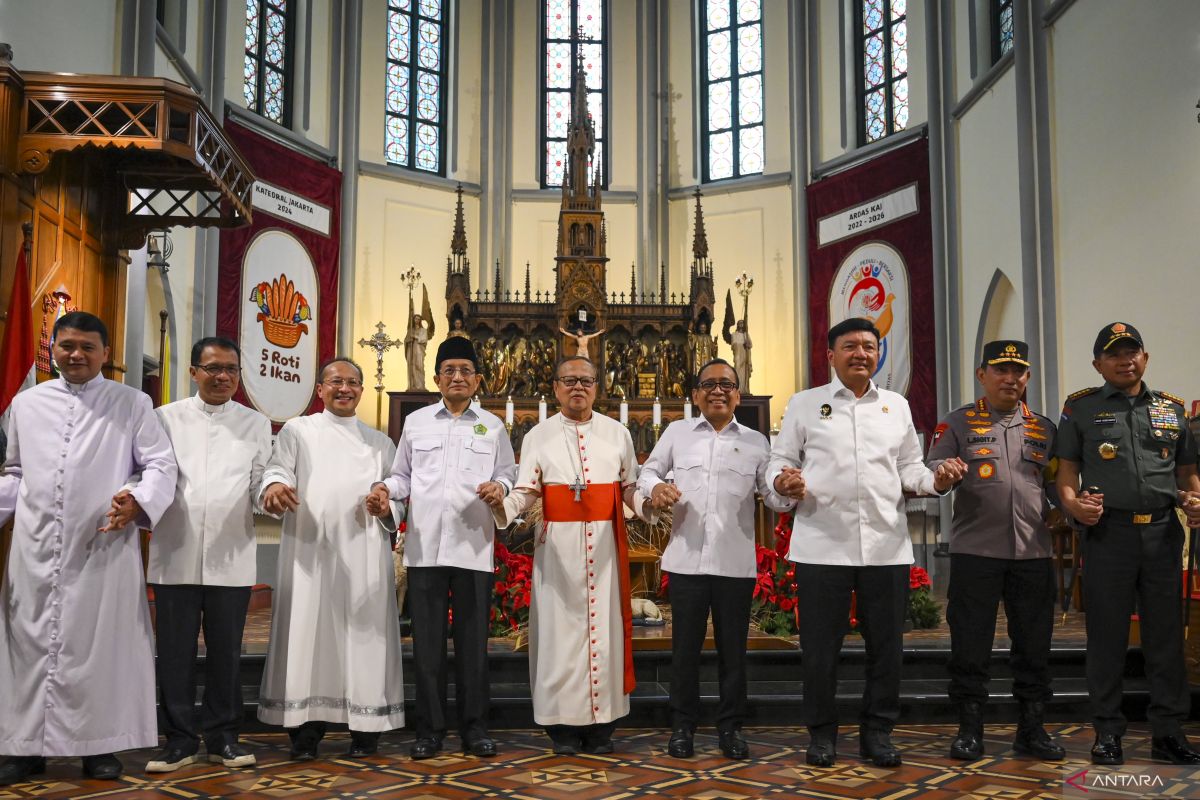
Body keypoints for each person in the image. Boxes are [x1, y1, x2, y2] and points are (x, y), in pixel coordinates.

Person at [768, 317, 965, 769]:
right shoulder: (805, 404)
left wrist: (936, 480)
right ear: (831, 354)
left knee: (886, 650)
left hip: (884, 548)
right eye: (851, 345)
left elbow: (909, 469)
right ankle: (821, 735)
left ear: (879, 354)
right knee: (820, 651)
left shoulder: (895, 406)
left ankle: (878, 732)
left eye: (869, 346)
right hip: (821, 546)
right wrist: (783, 481)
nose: (861, 353)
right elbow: (778, 462)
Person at [0, 311, 178, 785]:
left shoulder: (131, 402)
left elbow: (160, 465)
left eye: (87, 347)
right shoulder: (27, 404)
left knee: (101, 648)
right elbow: (15, 473)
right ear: (52, 348)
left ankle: (99, 747)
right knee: (28, 645)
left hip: (101, 545)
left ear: (105, 354)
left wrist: (136, 502)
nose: (76, 354)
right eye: (67, 345)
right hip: (36, 549)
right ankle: (24, 748)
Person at [489, 356, 653, 755]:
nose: (578, 387)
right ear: (556, 387)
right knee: (559, 636)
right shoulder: (537, 436)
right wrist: (501, 504)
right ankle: (560, 728)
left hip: (605, 550)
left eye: (586, 381)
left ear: (597, 387)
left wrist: (650, 506)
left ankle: (603, 728)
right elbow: (526, 491)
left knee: (606, 634)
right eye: (569, 380)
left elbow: (629, 487)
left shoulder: (617, 433)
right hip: (556, 550)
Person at [1055, 322, 1200, 766]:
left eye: (1132, 351)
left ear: (1146, 357)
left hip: (1161, 534)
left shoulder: (1172, 410)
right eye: (1114, 354)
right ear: (1098, 364)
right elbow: (1066, 474)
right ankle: (1108, 732)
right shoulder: (1080, 409)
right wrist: (1073, 508)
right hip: (1108, 536)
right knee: (1107, 637)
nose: (1125, 360)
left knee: (1165, 638)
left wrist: (1195, 499)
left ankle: (1169, 732)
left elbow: (1187, 474)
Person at [367, 337, 516, 760]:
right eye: (449, 370)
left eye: (465, 371)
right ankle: (429, 731)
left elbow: (508, 474)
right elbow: (402, 478)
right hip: (425, 551)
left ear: (478, 380)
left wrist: (499, 487)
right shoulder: (417, 424)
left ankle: (475, 729)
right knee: (427, 648)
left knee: (473, 647)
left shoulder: (493, 426)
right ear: (436, 378)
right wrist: (383, 490)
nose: (457, 377)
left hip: (473, 549)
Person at [257, 358, 405, 760]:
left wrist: (385, 503)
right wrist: (274, 488)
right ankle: (306, 731)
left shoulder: (380, 443)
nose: (345, 388)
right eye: (336, 382)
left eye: (353, 383)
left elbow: (399, 493)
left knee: (364, 638)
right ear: (320, 389)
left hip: (364, 556)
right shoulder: (298, 431)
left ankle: (366, 729)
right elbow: (276, 471)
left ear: (361, 390)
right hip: (310, 553)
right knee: (308, 636)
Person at [640, 358, 788, 760]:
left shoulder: (757, 442)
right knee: (684, 651)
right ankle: (682, 727)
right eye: (709, 384)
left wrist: (787, 488)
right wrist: (655, 490)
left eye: (727, 384)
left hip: (734, 564)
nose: (718, 390)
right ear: (695, 395)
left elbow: (772, 497)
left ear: (738, 393)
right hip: (686, 562)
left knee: (733, 652)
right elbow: (647, 472)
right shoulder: (677, 433)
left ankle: (731, 728)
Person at [926, 340, 1064, 762]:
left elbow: (1059, 484)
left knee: (1034, 645)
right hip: (976, 553)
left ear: (1027, 378)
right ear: (981, 375)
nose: (1010, 379)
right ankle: (970, 730)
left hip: (1035, 553)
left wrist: (1066, 508)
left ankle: (1032, 729)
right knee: (970, 644)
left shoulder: (1045, 428)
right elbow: (934, 473)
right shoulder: (956, 424)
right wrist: (944, 475)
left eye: (1018, 371)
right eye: (1001, 370)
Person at [145, 337, 272, 773]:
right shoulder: (163, 418)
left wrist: (270, 495)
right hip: (174, 552)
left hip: (231, 555)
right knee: (174, 653)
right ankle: (178, 740)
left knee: (225, 654)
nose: (222, 377)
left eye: (231, 370)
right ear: (194, 372)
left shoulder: (255, 424)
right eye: (214, 368)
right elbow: (149, 476)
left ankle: (223, 738)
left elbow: (259, 482)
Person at [405, 314, 430, 390]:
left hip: (419, 350)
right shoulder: (410, 330)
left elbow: (424, 339)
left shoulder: (423, 330)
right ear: (413, 320)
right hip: (411, 350)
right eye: (416, 319)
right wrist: (409, 340)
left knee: (419, 366)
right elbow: (406, 340)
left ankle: (420, 386)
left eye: (419, 319)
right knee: (412, 367)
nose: (417, 320)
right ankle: (412, 386)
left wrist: (415, 337)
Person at [730, 319, 752, 393]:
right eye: (739, 323)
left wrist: (747, 344)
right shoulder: (734, 334)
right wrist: (740, 345)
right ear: (737, 325)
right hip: (738, 353)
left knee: (744, 370)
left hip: (745, 354)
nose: (741, 324)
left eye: (742, 323)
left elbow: (750, 345)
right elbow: (733, 345)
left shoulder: (746, 335)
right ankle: (738, 388)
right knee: (737, 369)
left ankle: (744, 388)